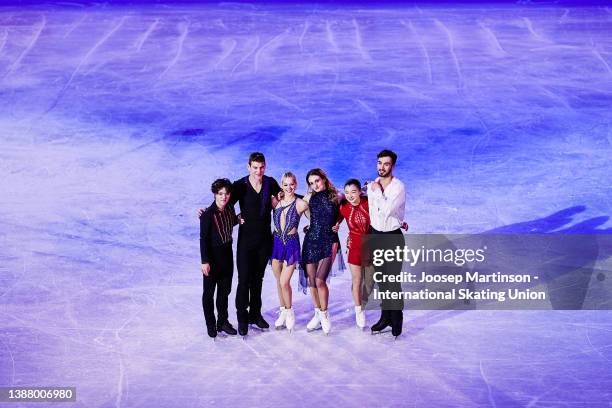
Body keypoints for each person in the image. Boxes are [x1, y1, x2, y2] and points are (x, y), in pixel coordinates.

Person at [199, 152, 281, 336]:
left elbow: (287, 197)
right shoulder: (240, 185)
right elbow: (224, 202)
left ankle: (255, 314)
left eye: (261, 167)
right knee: (244, 280)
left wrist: (309, 199)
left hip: (264, 241)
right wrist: (207, 212)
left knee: (257, 280)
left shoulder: (270, 183)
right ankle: (242, 318)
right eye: (255, 167)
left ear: (265, 167)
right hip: (245, 242)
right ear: (248, 167)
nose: (258, 171)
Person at [367, 149, 406, 338]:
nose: (382, 167)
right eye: (379, 163)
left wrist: (376, 191)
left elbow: (386, 210)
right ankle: (385, 317)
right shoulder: (372, 185)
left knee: (392, 281)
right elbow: (370, 212)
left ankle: (396, 319)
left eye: (386, 164)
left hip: (392, 237)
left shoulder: (398, 187)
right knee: (382, 280)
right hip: (375, 236)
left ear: (392, 166)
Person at [199, 178, 242, 339]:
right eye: (220, 194)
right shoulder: (207, 215)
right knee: (209, 294)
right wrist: (205, 261)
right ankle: (211, 324)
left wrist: (238, 220)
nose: (224, 197)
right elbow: (203, 239)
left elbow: (230, 223)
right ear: (215, 194)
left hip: (227, 255)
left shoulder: (230, 208)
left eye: (226, 193)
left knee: (225, 291)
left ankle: (222, 321)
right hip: (212, 258)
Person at [301, 168, 340, 335]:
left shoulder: (336, 196)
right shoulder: (309, 198)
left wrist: (339, 222)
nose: (315, 185)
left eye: (317, 180)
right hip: (311, 240)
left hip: (329, 241)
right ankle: (317, 313)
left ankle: (324, 314)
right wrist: (307, 225)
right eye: (311, 183)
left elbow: (352, 202)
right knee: (311, 281)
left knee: (319, 280)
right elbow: (294, 208)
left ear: (324, 178)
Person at [270, 172, 308, 332]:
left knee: (285, 282)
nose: (288, 187)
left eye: (291, 184)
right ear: (281, 185)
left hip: (292, 244)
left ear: (296, 184)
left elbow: (317, 218)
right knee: (279, 282)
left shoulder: (301, 203)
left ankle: (290, 311)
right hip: (276, 243)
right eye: (285, 184)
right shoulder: (275, 202)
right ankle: (283, 311)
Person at [335, 179, 370, 329]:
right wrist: (336, 225)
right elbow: (335, 219)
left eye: (353, 192)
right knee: (357, 280)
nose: (350, 195)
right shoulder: (343, 207)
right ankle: (359, 310)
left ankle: (361, 302)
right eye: (347, 192)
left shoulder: (369, 202)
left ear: (360, 192)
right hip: (354, 247)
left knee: (369, 283)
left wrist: (400, 222)